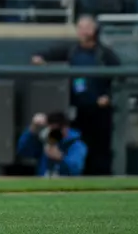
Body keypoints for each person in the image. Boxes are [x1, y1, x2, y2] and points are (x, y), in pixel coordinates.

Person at [32, 16, 121, 176]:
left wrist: (107, 96)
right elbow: (46, 54)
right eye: (79, 27)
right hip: (76, 109)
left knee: (100, 151)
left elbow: (120, 77)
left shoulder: (104, 54)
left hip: (99, 111)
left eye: (86, 27)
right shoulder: (72, 51)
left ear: (94, 30)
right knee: (76, 145)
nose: (82, 31)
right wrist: (40, 58)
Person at [16, 111, 87, 177]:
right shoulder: (45, 141)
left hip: (65, 185)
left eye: (56, 129)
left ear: (65, 128)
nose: (53, 133)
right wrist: (33, 127)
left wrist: (60, 158)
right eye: (51, 129)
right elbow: (23, 150)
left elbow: (75, 170)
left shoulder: (76, 145)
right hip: (43, 184)